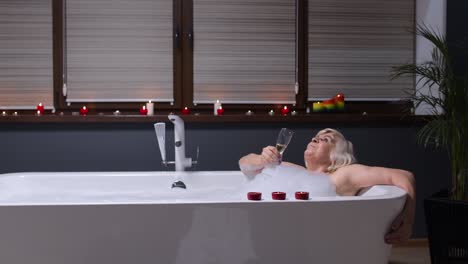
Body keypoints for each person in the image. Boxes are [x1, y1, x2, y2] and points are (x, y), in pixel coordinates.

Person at [239, 128, 415, 245]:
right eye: (315, 137)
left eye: (325, 139)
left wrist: (407, 221)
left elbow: (404, 176)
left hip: (310, 240)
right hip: (272, 235)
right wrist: (262, 158)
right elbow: (244, 163)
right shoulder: (292, 169)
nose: (315, 139)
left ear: (337, 154)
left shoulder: (342, 175)